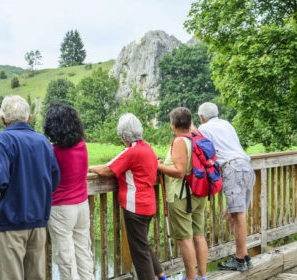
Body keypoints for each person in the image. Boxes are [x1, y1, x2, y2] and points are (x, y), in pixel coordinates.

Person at [0, 95, 60, 280]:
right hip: (38, 222)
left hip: (9, 223)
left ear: (2, 119)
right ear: (28, 118)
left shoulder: (2, 140)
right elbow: (54, 179)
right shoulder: (43, 141)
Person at [89, 113, 166, 280]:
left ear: (123, 135)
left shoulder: (131, 152)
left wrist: (89, 168)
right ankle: (161, 275)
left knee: (139, 252)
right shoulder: (147, 148)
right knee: (142, 244)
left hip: (135, 207)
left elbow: (106, 170)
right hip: (148, 204)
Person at [197, 102, 255, 271]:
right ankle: (244, 256)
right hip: (246, 167)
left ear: (202, 117)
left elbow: (194, 138)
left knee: (237, 216)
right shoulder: (226, 124)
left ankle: (239, 259)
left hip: (232, 170)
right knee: (230, 215)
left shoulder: (204, 128)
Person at [43, 103, 95, 280]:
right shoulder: (82, 145)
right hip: (82, 205)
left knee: (65, 258)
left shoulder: (53, 152)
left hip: (61, 208)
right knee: (83, 253)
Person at [158, 107, 208, 280]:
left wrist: (157, 166)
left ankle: (190, 278)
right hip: (198, 192)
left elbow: (179, 171)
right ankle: (202, 277)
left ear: (173, 124)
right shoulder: (196, 136)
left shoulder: (180, 141)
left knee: (185, 239)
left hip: (181, 196)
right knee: (199, 235)